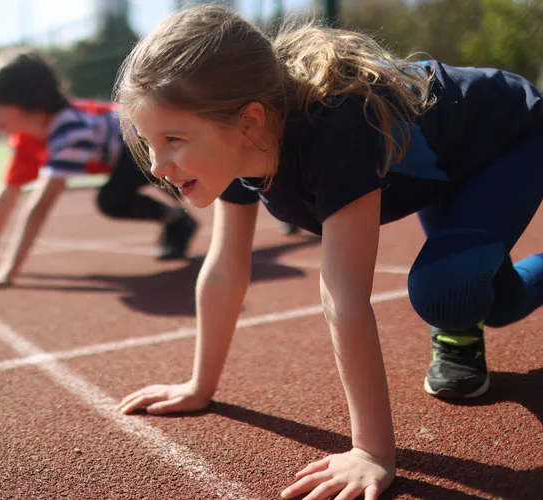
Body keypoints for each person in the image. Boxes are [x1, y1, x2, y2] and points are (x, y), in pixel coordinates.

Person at [113, 5, 542, 499]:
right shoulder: (237, 144)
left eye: (173, 140)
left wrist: (372, 452)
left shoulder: (336, 128)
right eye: (148, 143)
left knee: (446, 295)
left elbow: (343, 293)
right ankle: (473, 301)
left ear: (250, 120)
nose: (158, 165)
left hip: (509, 136)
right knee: (502, 303)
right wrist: (199, 386)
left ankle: (458, 321)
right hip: (447, 161)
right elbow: (226, 267)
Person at [0, 47, 198, 292]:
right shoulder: (25, 138)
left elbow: (39, 207)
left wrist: (7, 272)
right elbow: (7, 197)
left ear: (26, 101)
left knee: (121, 198)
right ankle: (178, 219)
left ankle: (186, 217)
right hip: (120, 155)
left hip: (139, 142)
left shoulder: (68, 130)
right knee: (119, 198)